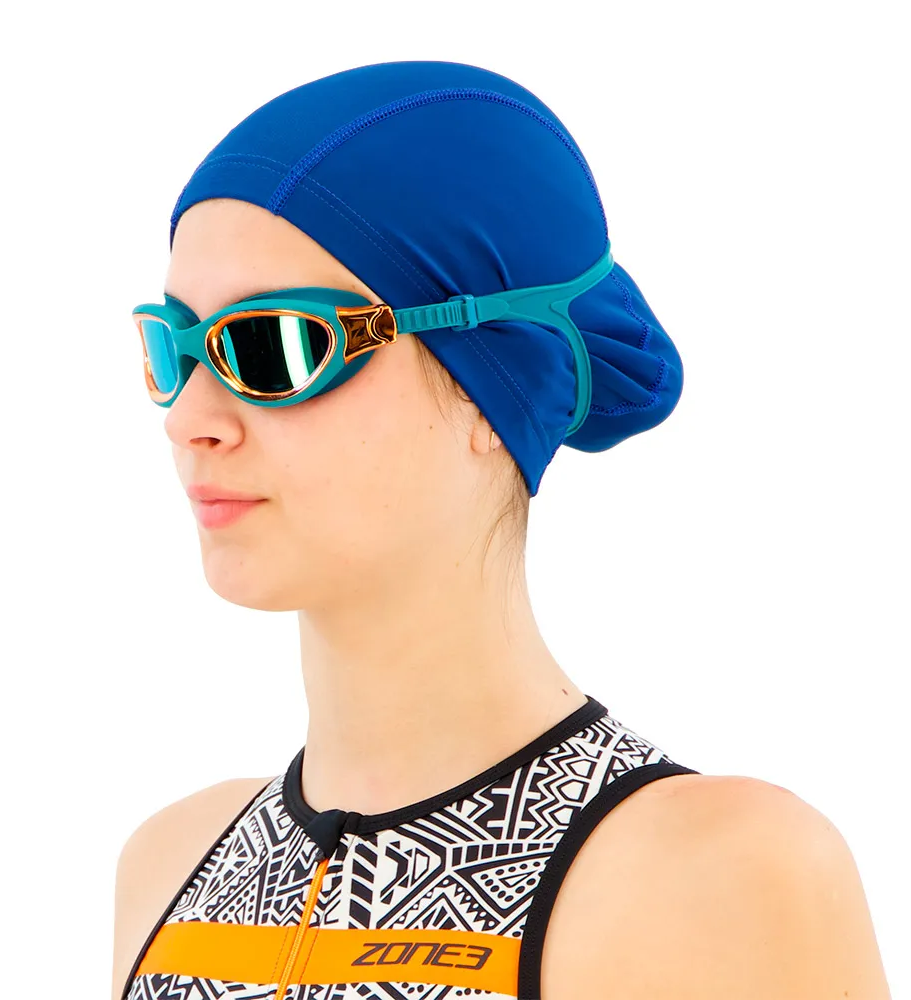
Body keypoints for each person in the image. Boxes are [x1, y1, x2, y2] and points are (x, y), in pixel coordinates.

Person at [113, 61, 892, 1000]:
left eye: (272, 345)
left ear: (498, 383)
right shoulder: (170, 870)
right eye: (174, 347)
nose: (189, 418)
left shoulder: (714, 879)